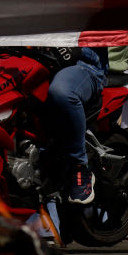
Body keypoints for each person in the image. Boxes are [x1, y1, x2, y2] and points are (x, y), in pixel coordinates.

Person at [46, 47, 107, 205]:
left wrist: (77, 51)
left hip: (84, 64)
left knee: (62, 92)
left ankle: (80, 166)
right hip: (41, 60)